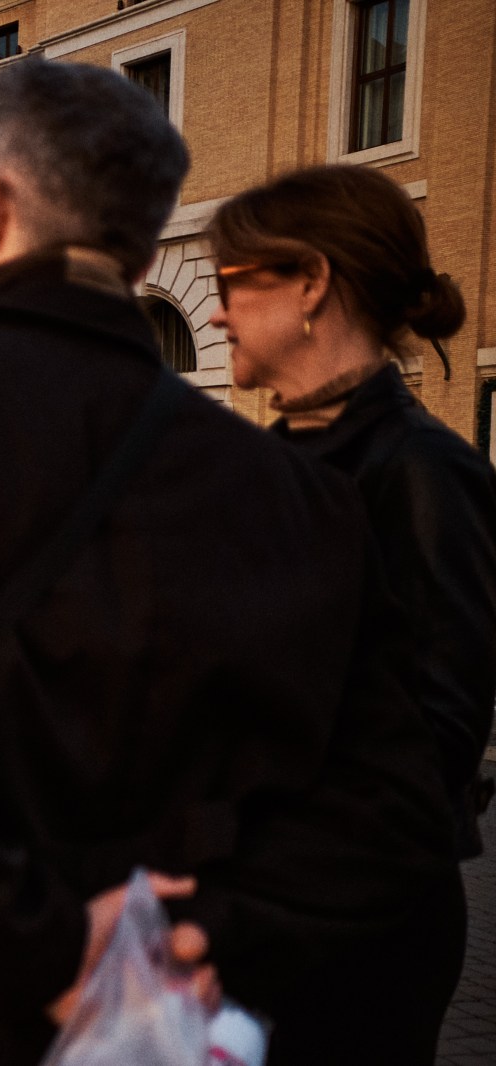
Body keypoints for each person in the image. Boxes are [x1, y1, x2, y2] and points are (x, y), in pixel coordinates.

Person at [0, 57, 454, 1065]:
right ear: (141, 257)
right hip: (146, 1021)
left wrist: (51, 943)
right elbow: (396, 807)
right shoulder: (296, 490)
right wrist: (200, 929)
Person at [207, 164, 495, 1061]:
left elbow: (434, 740)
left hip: (346, 944)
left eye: (229, 284)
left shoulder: (421, 472)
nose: (214, 313)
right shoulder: (262, 466)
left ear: (310, 284)